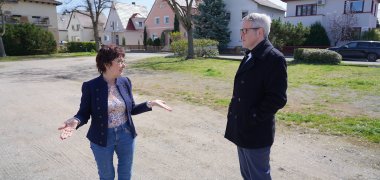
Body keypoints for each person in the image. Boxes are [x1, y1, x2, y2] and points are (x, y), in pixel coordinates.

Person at [58, 45, 172, 180]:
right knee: (106, 175)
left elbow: (132, 109)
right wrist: (75, 121)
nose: (124, 65)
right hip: (102, 138)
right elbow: (84, 113)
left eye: (123, 61)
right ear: (106, 64)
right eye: (119, 61)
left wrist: (150, 103)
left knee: (125, 173)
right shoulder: (91, 86)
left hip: (126, 135)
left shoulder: (125, 82)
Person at [224, 13, 287, 180]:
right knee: (247, 175)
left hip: (256, 131)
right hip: (242, 127)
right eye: (241, 30)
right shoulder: (249, 54)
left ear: (259, 32)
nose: (241, 35)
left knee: (258, 176)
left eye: (245, 30)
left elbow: (277, 98)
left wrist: (252, 117)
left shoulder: (274, 58)